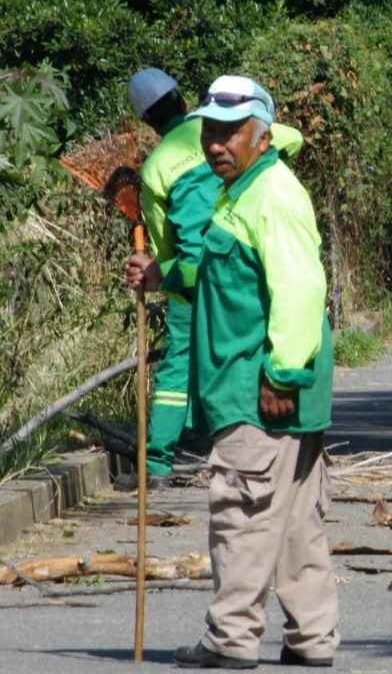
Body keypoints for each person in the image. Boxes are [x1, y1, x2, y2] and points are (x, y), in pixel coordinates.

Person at [125, 75, 338, 669]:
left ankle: (230, 642)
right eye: (211, 131)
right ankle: (312, 641)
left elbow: (300, 289)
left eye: (230, 132)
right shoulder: (237, 192)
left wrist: (281, 375)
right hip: (267, 383)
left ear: (262, 135)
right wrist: (164, 276)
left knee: (240, 516)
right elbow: (219, 278)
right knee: (294, 523)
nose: (217, 143)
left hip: (261, 385)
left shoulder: (272, 195)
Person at [117, 68, 303, 492]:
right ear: (183, 100)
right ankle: (263, 450)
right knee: (249, 349)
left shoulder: (158, 166)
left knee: (176, 370)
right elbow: (290, 139)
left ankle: (157, 466)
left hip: (193, 277)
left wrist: (160, 274)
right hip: (240, 266)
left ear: (146, 121)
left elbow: (164, 248)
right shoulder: (232, 130)